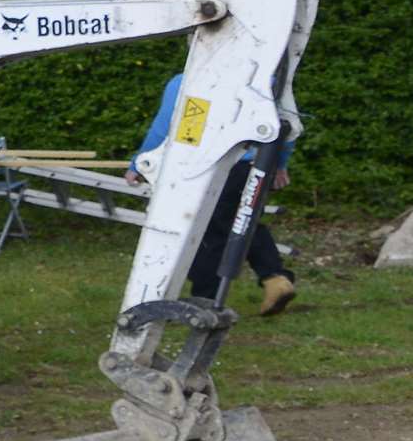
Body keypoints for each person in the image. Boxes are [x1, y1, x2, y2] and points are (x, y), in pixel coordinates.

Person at [127, 72, 297, 316]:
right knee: (242, 221)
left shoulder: (188, 81)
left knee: (204, 232)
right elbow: (286, 123)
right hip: (253, 164)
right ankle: (275, 278)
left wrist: (141, 163)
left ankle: (204, 300)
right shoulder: (266, 80)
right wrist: (279, 163)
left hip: (205, 166)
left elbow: (165, 126)